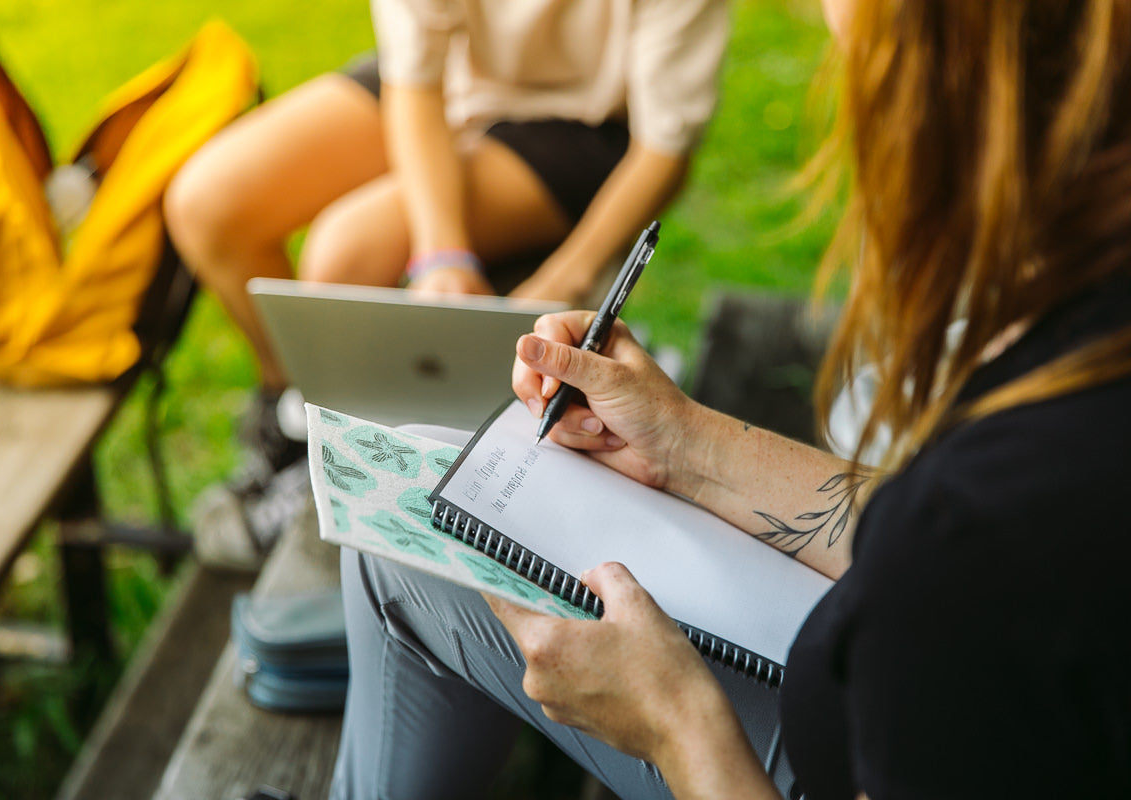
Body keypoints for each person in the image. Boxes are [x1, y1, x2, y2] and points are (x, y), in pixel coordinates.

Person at [328, 0, 1131, 797]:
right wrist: (684, 441)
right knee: (419, 493)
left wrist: (675, 724)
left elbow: (958, 550)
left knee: (399, 536)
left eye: (850, 56)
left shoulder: (984, 528)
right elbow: (926, 532)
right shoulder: (1073, 367)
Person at [163, 0, 729, 553]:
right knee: (207, 202)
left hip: (582, 118)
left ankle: (331, 468)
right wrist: (443, 255)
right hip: (452, 77)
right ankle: (296, 417)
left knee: (344, 254)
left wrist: (565, 279)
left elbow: (665, 144)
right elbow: (413, 75)